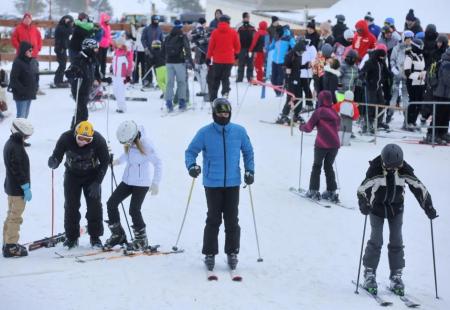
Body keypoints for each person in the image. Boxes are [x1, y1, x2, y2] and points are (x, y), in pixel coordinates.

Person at [357, 144, 437, 296]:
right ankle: (369, 273)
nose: (393, 170)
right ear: (384, 162)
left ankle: (396, 276)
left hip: (396, 209)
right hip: (377, 209)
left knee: (396, 240)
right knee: (376, 239)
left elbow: (419, 187)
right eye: (390, 167)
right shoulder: (375, 169)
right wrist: (364, 204)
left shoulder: (404, 169)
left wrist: (428, 207)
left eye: (396, 167)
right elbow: (362, 190)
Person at [185, 98, 254, 271]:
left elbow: (248, 151)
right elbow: (191, 151)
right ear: (214, 114)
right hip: (212, 183)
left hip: (232, 183)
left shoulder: (239, 131)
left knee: (232, 219)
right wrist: (191, 166)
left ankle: (232, 252)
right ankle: (209, 253)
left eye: (226, 113)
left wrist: (249, 170)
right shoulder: (205, 133)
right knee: (213, 219)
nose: (223, 116)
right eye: (220, 113)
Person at [48, 121, 109, 249]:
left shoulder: (99, 140)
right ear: (75, 134)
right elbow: (57, 155)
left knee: (95, 206)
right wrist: (54, 161)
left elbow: (104, 162)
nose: (83, 142)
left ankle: (95, 237)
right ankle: (72, 237)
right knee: (71, 206)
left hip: (92, 176)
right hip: (72, 175)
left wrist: (98, 182)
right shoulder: (65, 138)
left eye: (87, 139)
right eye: (80, 138)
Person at [104, 120, 162, 250]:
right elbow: (127, 155)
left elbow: (158, 163)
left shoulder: (147, 145)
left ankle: (141, 239)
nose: (126, 145)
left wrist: (155, 183)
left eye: (127, 142)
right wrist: (117, 161)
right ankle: (117, 235)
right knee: (111, 203)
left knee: (134, 210)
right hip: (128, 180)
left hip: (142, 183)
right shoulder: (130, 141)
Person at [300, 90, 340, 202]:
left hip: (321, 144)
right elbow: (338, 126)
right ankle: (331, 191)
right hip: (334, 145)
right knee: (329, 166)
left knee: (317, 166)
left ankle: (313, 190)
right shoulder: (334, 112)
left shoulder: (319, 112)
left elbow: (308, 128)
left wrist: (301, 127)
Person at [2, 118, 33, 257]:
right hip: (17, 190)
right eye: (26, 136)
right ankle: (11, 247)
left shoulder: (11, 143)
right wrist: (25, 187)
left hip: (11, 187)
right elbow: (18, 170)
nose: (27, 138)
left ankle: (7, 241)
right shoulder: (16, 148)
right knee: (15, 217)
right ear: (19, 133)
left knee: (10, 215)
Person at [65, 38, 101, 128]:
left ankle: (74, 129)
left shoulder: (92, 59)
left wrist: (103, 79)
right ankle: (76, 130)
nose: (97, 51)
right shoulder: (79, 59)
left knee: (79, 112)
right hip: (79, 89)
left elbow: (96, 74)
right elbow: (68, 73)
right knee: (83, 114)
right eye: (95, 49)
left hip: (87, 89)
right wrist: (75, 73)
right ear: (89, 49)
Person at [206, 15, 241, 102]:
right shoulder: (233, 32)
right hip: (229, 60)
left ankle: (213, 97)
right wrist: (236, 53)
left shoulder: (215, 32)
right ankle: (225, 92)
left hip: (217, 60)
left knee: (216, 78)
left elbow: (211, 46)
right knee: (225, 77)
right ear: (228, 22)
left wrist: (208, 57)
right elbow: (237, 45)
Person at [275, 40, 310, 124]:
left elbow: (297, 67)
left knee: (299, 96)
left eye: (302, 52)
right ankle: (284, 114)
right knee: (291, 97)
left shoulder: (299, 56)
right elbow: (285, 66)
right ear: (297, 49)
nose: (301, 53)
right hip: (290, 79)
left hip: (297, 78)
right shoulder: (290, 54)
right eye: (300, 51)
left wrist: (305, 66)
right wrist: (286, 71)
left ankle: (296, 114)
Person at [162, 20, 192, 112]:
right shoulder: (182, 36)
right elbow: (187, 48)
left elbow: (162, 50)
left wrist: (165, 60)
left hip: (169, 62)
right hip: (179, 62)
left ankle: (168, 103)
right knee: (181, 82)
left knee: (169, 83)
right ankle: (182, 102)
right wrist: (189, 60)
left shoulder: (168, 37)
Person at [360, 43, 390, 133]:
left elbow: (386, 71)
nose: (382, 58)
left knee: (381, 104)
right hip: (370, 86)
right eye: (381, 56)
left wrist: (390, 76)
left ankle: (378, 122)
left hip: (378, 86)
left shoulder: (381, 62)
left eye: (383, 56)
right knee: (371, 105)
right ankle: (367, 123)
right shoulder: (370, 62)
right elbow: (361, 72)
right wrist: (363, 78)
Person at [11, 12, 43, 96]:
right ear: (23, 19)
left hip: (33, 55)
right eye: (26, 18)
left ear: (31, 20)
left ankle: (36, 88)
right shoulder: (18, 29)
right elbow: (14, 40)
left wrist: (38, 48)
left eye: (29, 19)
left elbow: (39, 39)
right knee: (23, 73)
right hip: (22, 56)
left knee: (35, 72)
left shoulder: (35, 29)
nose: (27, 20)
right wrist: (21, 49)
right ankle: (23, 88)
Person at [9, 41, 37, 134]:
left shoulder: (31, 61)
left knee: (25, 117)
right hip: (21, 95)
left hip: (29, 94)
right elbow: (13, 79)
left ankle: (21, 137)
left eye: (32, 50)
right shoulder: (17, 62)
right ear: (24, 51)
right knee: (21, 118)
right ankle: (16, 137)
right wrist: (22, 90)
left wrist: (35, 87)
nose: (31, 52)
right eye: (29, 50)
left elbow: (34, 75)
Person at [425, 48, 450, 144]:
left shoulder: (444, 62)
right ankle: (432, 133)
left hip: (446, 94)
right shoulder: (446, 64)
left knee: (445, 115)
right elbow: (447, 80)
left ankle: (442, 132)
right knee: (439, 115)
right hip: (441, 94)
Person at [403, 38, 426, 131]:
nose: (422, 48)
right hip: (412, 82)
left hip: (421, 82)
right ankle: (408, 122)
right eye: (420, 47)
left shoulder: (421, 56)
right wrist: (417, 77)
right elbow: (407, 72)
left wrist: (424, 75)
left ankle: (413, 121)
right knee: (413, 102)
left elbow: (423, 68)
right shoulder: (409, 57)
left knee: (419, 102)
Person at [267, 26, 296, 96]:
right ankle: (277, 92)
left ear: (281, 32)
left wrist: (289, 54)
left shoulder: (288, 38)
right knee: (273, 79)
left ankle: (280, 92)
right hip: (274, 61)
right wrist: (267, 47)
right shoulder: (276, 37)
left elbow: (294, 47)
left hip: (283, 62)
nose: (276, 35)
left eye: (277, 33)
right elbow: (271, 46)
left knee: (280, 79)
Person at [111, 35, 134, 113]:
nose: (117, 44)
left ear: (122, 44)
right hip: (115, 75)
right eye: (117, 43)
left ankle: (122, 108)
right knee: (115, 90)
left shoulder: (127, 52)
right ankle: (119, 106)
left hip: (123, 76)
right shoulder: (116, 51)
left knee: (121, 92)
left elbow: (130, 64)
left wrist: (128, 74)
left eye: (119, 43)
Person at [141, 15, 164, 88]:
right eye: (155, 20)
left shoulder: (159, 29)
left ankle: (159, 82)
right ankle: (148, 82)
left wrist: (162, 50)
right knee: (148, 67)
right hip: (149, 51)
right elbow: (142, 39)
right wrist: (146, 48)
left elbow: (162, 40)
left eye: (157, 20)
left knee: (158, 67)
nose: (156, 22)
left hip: (158, 51)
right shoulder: (147, 29)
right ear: (152, 20)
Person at [191, 17, 210, 101]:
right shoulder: (202, 30)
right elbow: (205, 41)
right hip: (203, 53)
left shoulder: (195, 30)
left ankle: (204, 90)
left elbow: (192, 41)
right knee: (202, 73)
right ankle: (204, 90)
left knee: (198, 72)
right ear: (204, 23)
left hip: (198, 53)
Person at [53, 15, 74, 87]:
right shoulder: (60, 27)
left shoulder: (64, 27)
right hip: (60, 48)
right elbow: (69, 31)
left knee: (62, 65)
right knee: (62, 65)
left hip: (62, 48)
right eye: (69, 22)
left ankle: (59, 80)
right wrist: (68, 24)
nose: (70, 24)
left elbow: (71, 31)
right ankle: (58, 81)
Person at [236, 12, 255, 83]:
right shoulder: (239, 26)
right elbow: (236, 37)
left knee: (250, 64)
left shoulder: (252, 26)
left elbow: (255, 37)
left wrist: (253, 47)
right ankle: (239, 78)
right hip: (241, 48)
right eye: (247, 17)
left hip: (250, 48)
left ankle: (250, 78)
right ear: (244, 18)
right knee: (241, 63)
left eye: (249, 17)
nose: (248, 18)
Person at [131, 18, 148, 84]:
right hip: (138, 50)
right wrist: (132, 26)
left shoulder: (144, 29)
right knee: (136, 65)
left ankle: (141, 79)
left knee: (142, 65)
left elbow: (134, 35)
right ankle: (137, 79)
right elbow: (134, 35)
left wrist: (133, 26)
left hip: (142, 50)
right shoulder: (138, 29)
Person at [98, 13, 112, 77]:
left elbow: (109, 36)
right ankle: (97, 75)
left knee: (103, 61)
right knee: (99, 61)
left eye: (108, 20)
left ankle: (103, 74)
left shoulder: (108, 27)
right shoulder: (101, 26)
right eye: (107, 20)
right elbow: (100, 37)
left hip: (106, 46)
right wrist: (106, 41)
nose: (108, 21)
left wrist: (110, 43)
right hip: (100, 46)